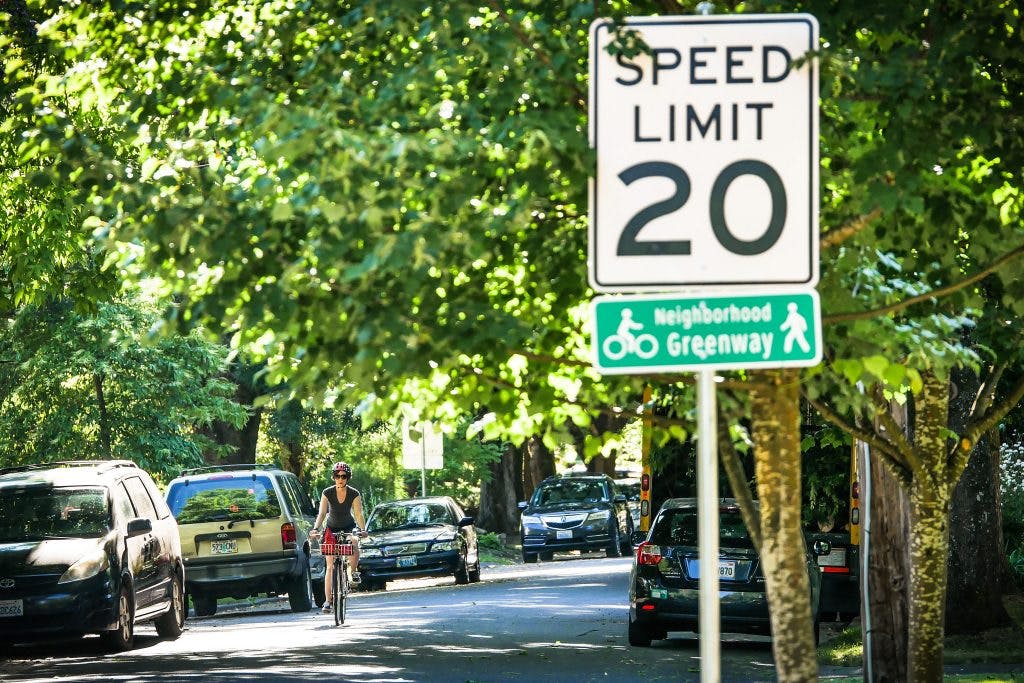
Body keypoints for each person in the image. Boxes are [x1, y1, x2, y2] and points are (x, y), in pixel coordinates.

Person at [311, 461, 367, 613]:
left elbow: (358, 513)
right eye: (337, 476)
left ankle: (354, 572)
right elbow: (322, 513)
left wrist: (362, 529)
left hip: (349, 527)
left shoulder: (354, 493)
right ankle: (328, 602)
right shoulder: (327, 492)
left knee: (354, 541)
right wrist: (316, 528)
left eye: (343, 476)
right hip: (331, 528)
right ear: (333, 477)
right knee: (330, 565)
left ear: (347, 478)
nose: (340, 479)